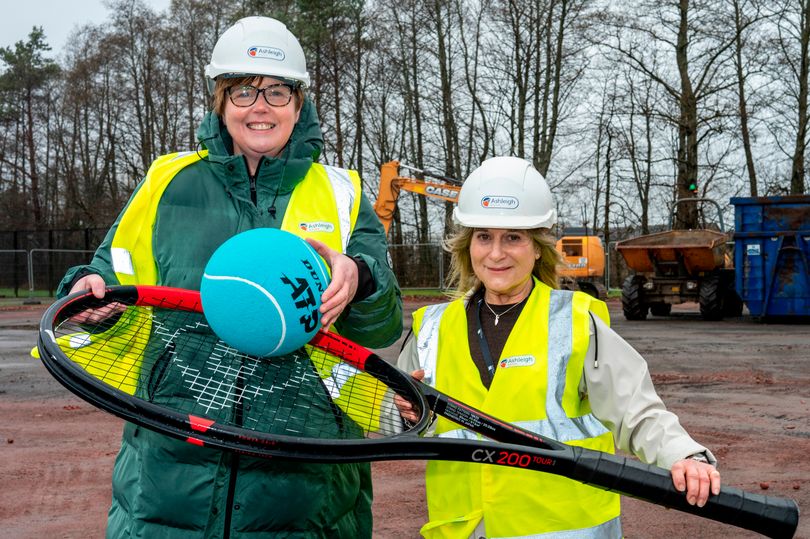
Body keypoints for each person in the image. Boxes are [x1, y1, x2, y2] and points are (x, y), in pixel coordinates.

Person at [56, 16, 402, 538]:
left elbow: (381, 327)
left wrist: (361, 280)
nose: (260, 106)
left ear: (299, 101)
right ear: (220, 100)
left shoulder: (344, 193)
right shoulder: (166, 183)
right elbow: (107, 277)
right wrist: (90, 298)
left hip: (306, 489)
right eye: (243, 90)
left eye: (277, 91)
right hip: (169, 478)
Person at [395, 156, 720, 539]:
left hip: (564, 530)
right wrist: (403, 414)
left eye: (512, 237)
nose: (496, 253)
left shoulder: (575, 322)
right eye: (484, 236)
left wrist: (684, 454)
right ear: (468, 246)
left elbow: (636, 409)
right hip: (463, 529)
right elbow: (390, 417)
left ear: (537, 248)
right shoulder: (432, 329)